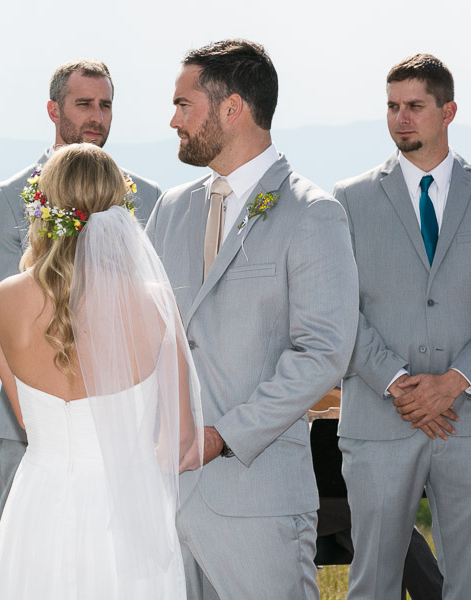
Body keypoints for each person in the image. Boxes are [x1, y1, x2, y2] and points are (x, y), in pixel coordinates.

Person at [146, 39, 359, 599]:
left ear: (232, 108)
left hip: (258, 502)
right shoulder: (170, 208)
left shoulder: (312, 214)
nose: (172, 120)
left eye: (184, 105)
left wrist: (222, 436)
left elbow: (323, 352)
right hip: (164, 503)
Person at [0, 143, 203, 598]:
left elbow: (27, 419)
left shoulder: (6, 299)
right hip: (124, 518)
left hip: (38, 506)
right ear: (120, 209)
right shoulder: (155, 305)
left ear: (43, 207)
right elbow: (181, 438)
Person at [0, 59, 162, 518]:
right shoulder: (8, 196)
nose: (96, 116)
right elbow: (8, 315)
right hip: (36, 423)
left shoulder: (150, 196)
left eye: (105, 105)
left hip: (128, 424)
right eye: (83, 104)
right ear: (53, 110)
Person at [334, 53, 471, 600]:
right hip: (378, 422)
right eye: (392, 107)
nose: (401, 118)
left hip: (467, 421)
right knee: (373, 583)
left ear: (449, 111)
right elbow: (338, 310)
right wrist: (398, 384)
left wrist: (455, 380)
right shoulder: (348, 200)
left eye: (415, 106)